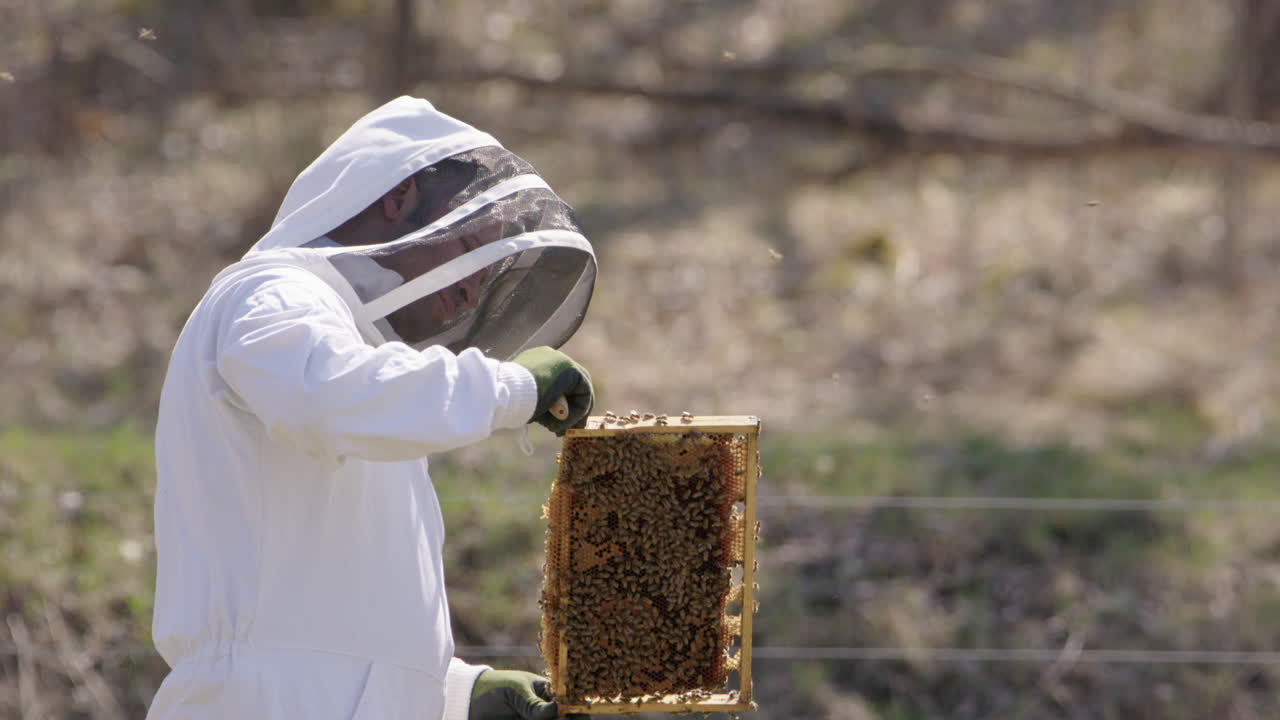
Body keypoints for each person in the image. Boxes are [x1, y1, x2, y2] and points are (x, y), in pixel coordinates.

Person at [147, 96, 597, 720]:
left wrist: (461, 693)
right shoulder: (272, 293)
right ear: (399, 198)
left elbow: (347, 628)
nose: (474, 288)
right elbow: (323, 395)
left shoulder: (366, 369)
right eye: (467, 243)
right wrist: (509, 389)